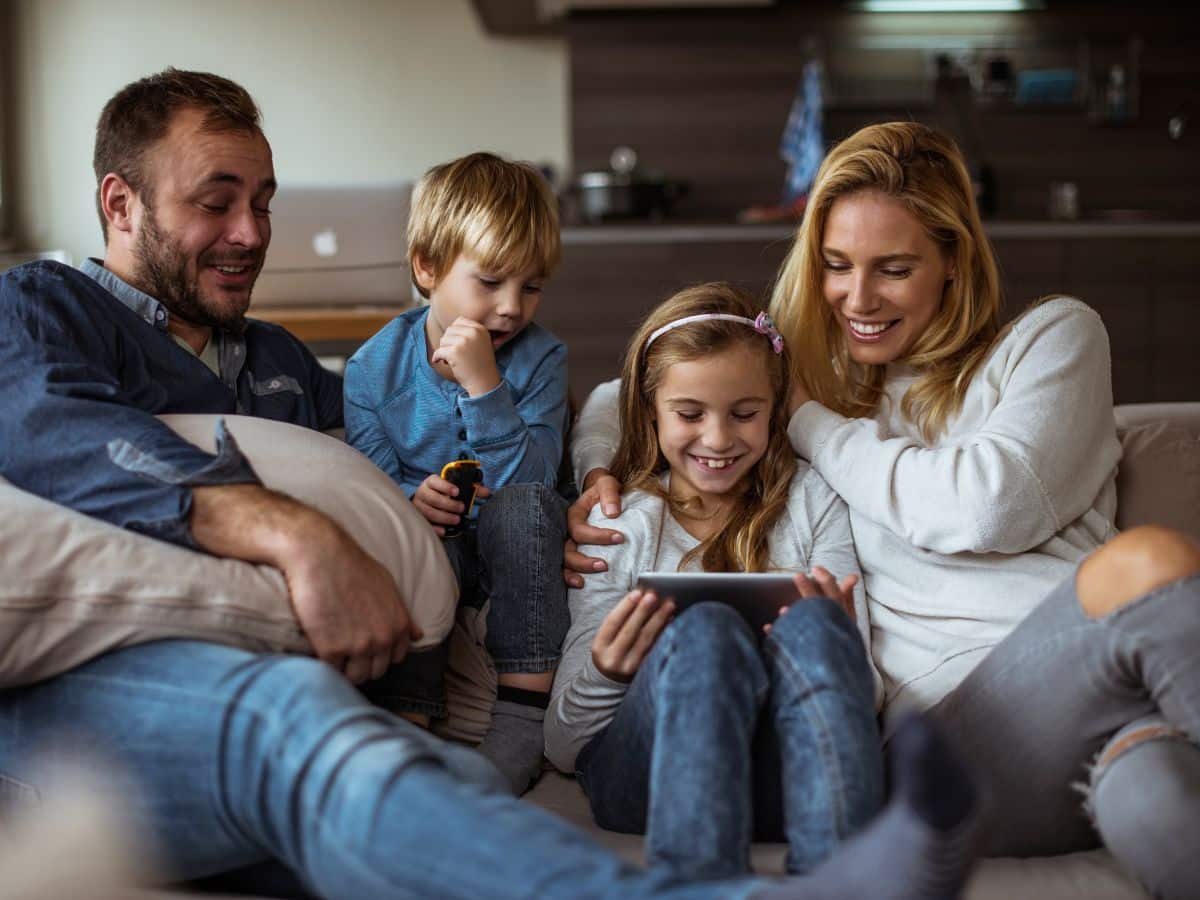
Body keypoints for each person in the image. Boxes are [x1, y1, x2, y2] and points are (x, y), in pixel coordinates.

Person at [0, 71, 978, 900]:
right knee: (298, 728)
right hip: (88, 692)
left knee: (407, 774)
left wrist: (585, 460)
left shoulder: (284, 366)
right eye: (216, 203)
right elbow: (39, 421)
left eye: (264, 201)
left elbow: (413, 471)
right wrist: (295, 536)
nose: (253, 232)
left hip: (278, 685)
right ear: (120, 205)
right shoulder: (43, 309)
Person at [566, 121, 1200, 899]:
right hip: (955, 727)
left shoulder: (1051, 340)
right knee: (1152, 562)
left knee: (1158, 793)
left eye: (893, 269)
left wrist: (810, 424)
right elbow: (638, 385)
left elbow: (986, 506)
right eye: (836, 266)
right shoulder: (817, 385)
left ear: (953, 263)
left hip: (1087, 698)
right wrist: (600, 471)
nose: (857, 299)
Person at [545, 282, 885, 880]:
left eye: (745, 414)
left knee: (817, 624)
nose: (719, 439)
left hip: (784, 772)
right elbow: (564, 746)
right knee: (706, 631)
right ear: (650, 411)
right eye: (690, 414)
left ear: (775, 408)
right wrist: (607, 671)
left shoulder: (815, 499)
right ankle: (697, 886)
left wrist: (840, 646)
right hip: (643, 778)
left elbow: (868, 703)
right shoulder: (621, 521)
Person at [344, 151, 571, 794]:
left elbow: (535, 477)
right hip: (437, 547)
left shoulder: (542, 360)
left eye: (530, 287)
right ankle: (411, 717)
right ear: (427, 268)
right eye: (491, 281)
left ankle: (523, 714)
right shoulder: (371, 370)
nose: (511, 308)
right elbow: (366, 482)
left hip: (517, 543)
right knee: (401, 542)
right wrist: (406, 499)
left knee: (525, 509)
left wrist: (485, 386)